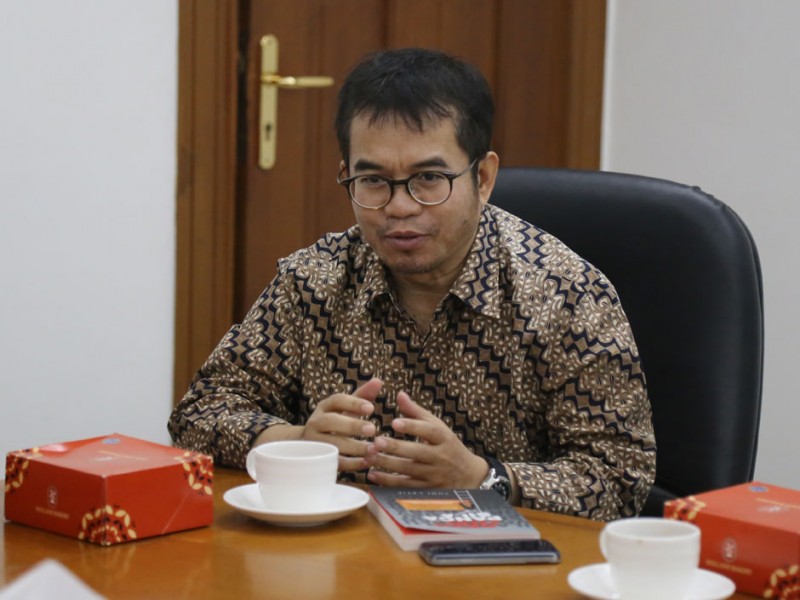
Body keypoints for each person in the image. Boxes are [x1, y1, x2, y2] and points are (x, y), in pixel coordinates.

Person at [168, 47, 656, 521]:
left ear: (483, 178)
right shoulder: (312, 282)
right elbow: (198, 414)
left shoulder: (566, 296)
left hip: (504, 561)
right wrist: (296, 442)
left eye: (428, 178)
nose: (399, 207)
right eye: (373, 181)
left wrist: (481, 477)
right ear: (346, 176)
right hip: (342, 551)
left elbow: (620, 479)